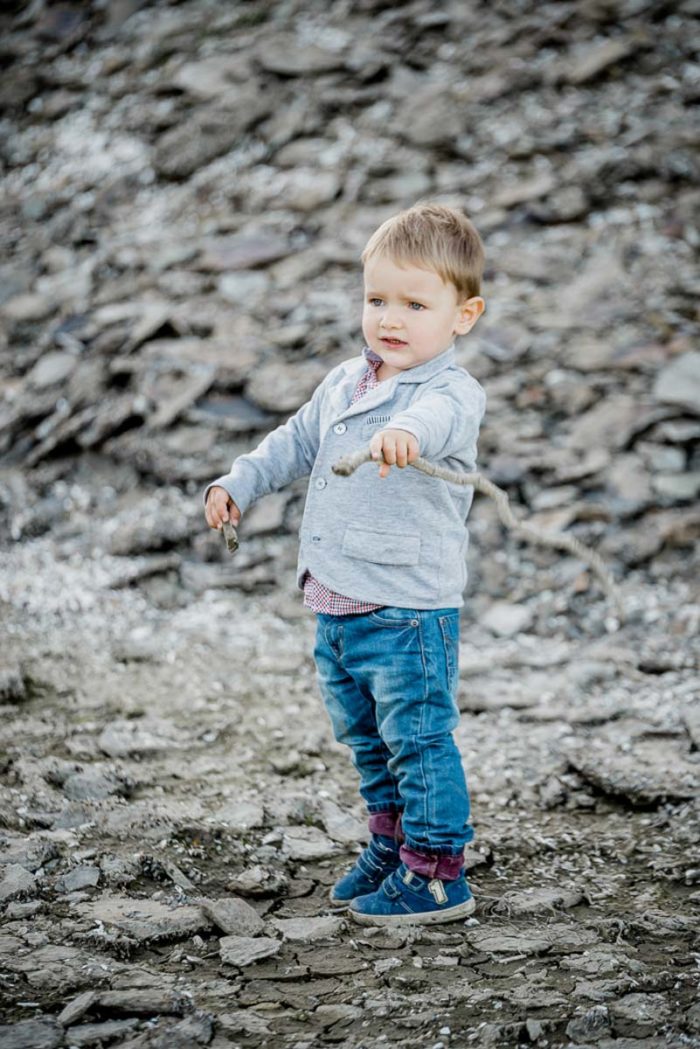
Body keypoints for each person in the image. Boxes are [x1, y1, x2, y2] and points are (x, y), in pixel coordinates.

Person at [204, 201, 487, 925]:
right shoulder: (343, 382)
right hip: (336, 603)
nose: (391, 319)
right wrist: (239, 483)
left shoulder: (450, 394)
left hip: (406, 613)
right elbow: (294, 442)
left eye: (415, 305)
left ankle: (437, 871)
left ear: (464, 315)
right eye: (377, 300)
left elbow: (435, 422)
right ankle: (392, 844)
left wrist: (404, 431)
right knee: (367, 740)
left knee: (418, 739)